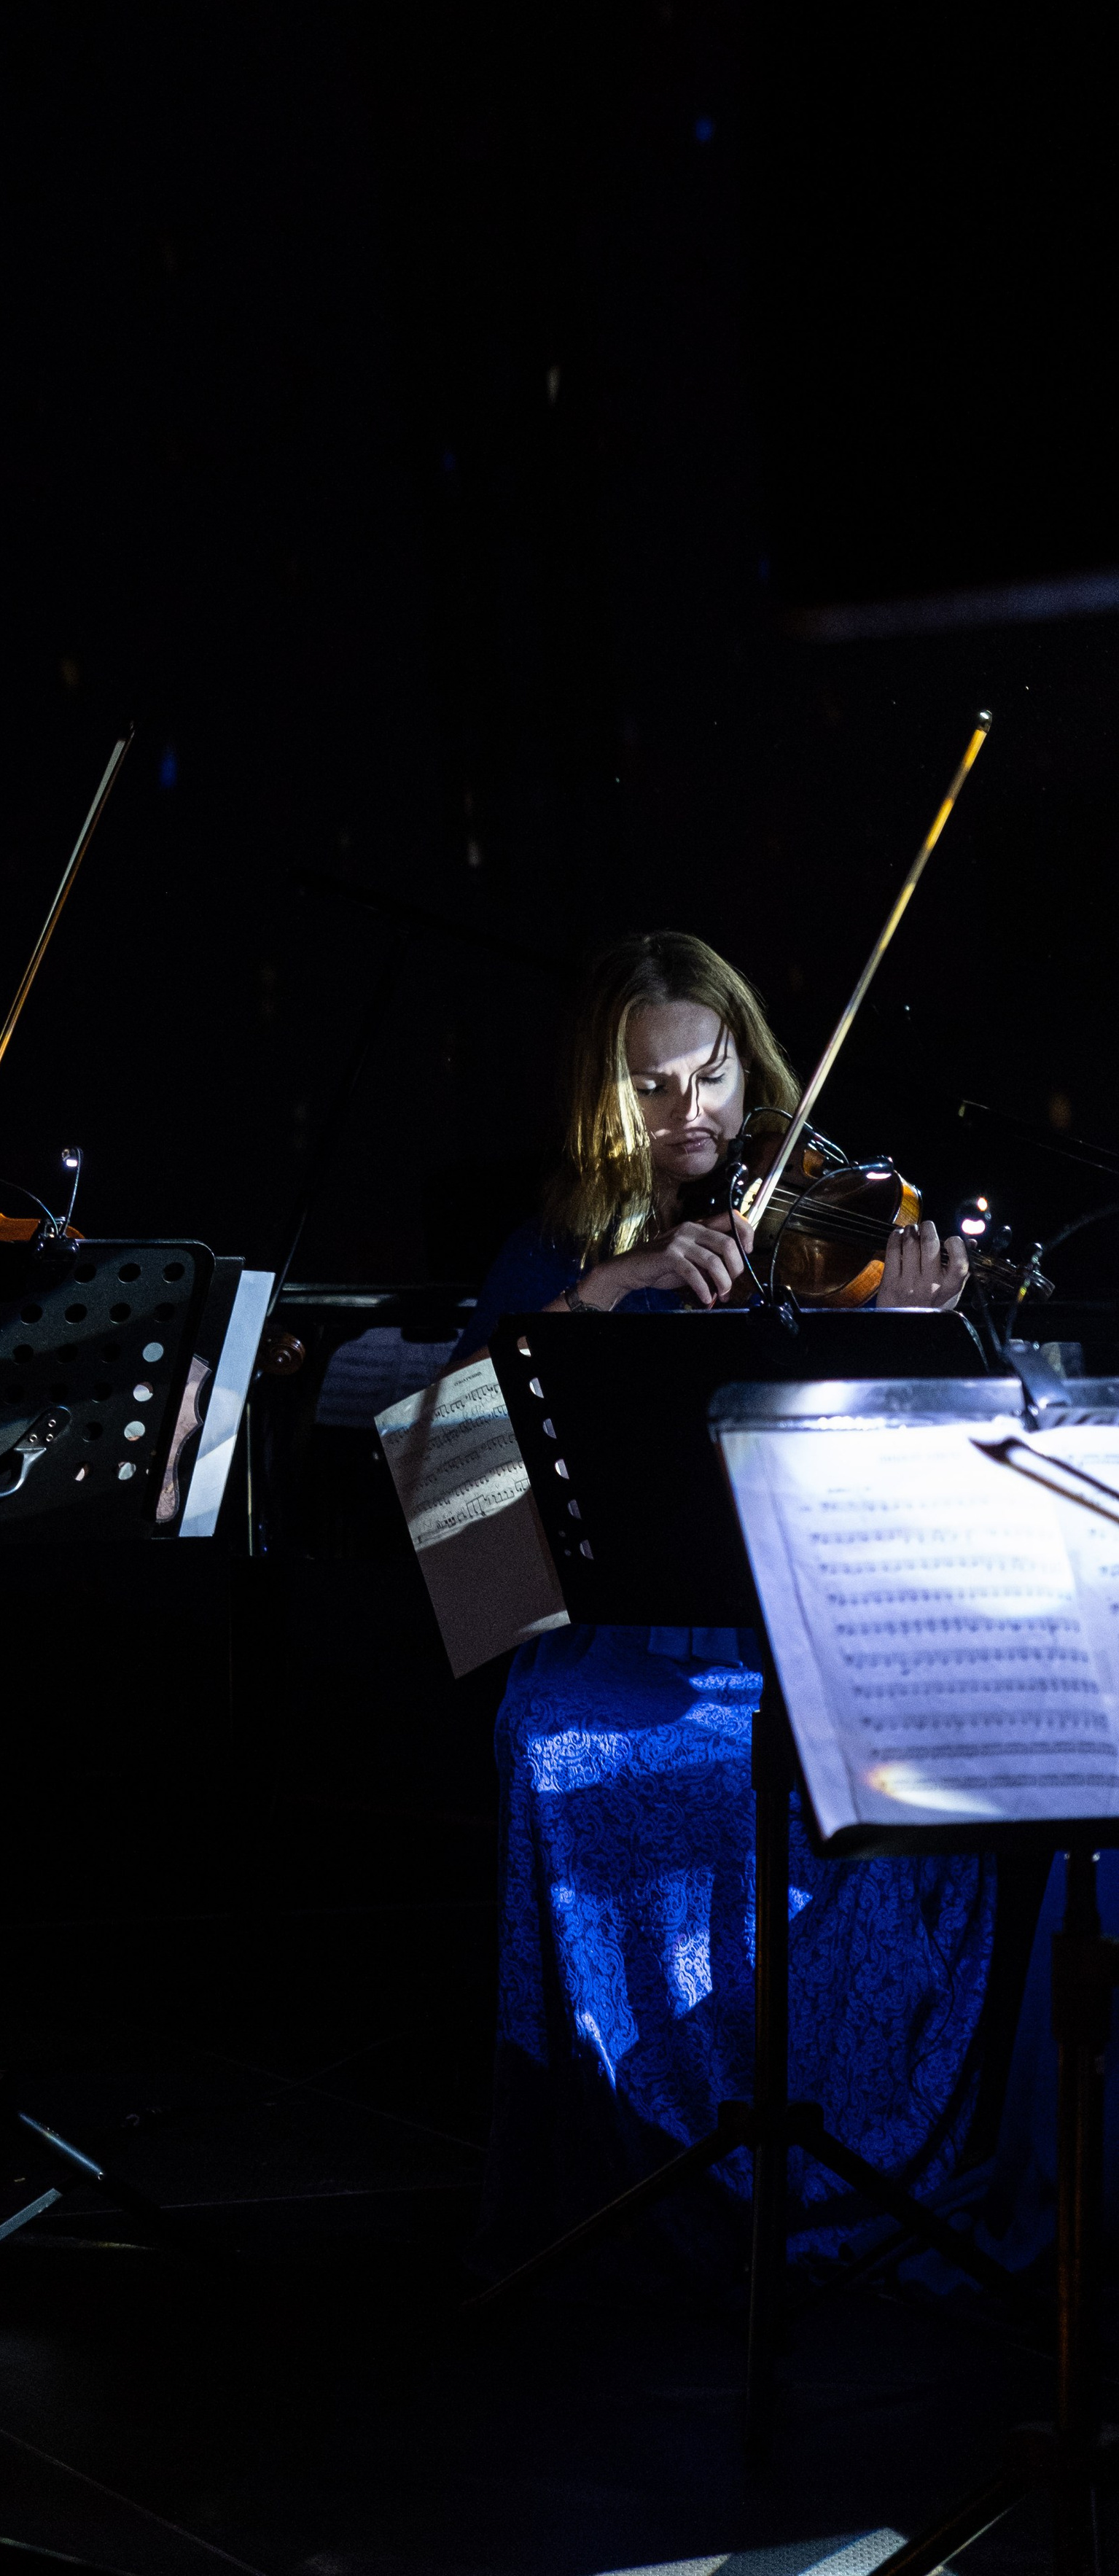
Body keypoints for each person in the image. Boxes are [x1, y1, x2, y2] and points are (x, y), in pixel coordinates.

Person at [461, 930, 993, 2270]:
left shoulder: (828, 1230)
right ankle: (629, 2149)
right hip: (626, 1636)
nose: (687, 1115)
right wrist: (601, 1294)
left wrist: (915, 1342)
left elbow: (930, 1497)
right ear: (605, 1096)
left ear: (749, 1072)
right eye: (649, 1088)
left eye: (709, 1078)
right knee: (555, 1741)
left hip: (807, 1627)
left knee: (890, 1772)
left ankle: (856, 2143)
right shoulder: (549, 1254)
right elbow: (464, 1519)